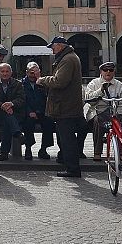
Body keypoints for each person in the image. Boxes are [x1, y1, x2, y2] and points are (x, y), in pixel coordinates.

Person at [38, 36, 85, 178]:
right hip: (66, 105)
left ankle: (72, 169)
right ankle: (69, 164)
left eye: (53, 46)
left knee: (67, 139)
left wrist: (43, 80)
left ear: (59, 46)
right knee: (66, 138)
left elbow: (60, 81)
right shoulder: (69, 57)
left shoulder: (67, 59)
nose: (52, 49)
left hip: (65, 106)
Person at [83, 61, 122, 161]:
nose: (108, 72)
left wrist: (120, 113)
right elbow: (88, 98)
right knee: (97, 121)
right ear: (101, 71)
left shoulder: (120, 85)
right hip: (98, 111)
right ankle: (97, 152)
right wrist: (100, 90)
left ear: (114, 72)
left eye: (111, 70)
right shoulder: (94, 83)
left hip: (114, 112)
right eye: (105, 70)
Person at [0, 62, 27, 160]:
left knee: (7, 122)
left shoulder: (17, 84)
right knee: (7, 119)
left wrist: (11, 104)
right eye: (2, 71)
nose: (5, 74)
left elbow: (22, 99)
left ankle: (4, 153)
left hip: (15, 113)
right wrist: (2, 106)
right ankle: (17, 133)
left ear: (11, 73)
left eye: (7, 71)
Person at [21, 62, 54, 160]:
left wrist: (39, 111)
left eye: (35, 72)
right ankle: (28, 148)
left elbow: (47, 98)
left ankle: (43, 149)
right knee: (28, 123)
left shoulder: (43, 83)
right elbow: (22, 100)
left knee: (49, 122)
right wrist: (30, 111)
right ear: (26, 72)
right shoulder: (21, 84)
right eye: (31, 72)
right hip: (28, 112)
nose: (33, 75)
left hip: (42, 111)